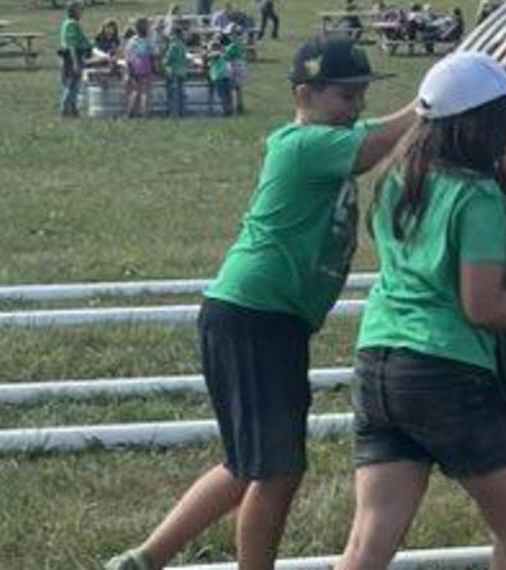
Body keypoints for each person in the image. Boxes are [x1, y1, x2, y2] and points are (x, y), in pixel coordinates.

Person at [103, 35, 423, 570]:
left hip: (263, 318)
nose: (357, 106)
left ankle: (143, 559)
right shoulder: (303, 145)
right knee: (277, 471)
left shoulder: (324, 140)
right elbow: (378, 145)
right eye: (346, 96)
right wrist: (436, 97)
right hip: (257, 316)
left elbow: (390, 145)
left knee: (247, 465)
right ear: (305, 94)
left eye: (362, 94)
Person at [333, 51, 506, 570]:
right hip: (445, 373)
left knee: (368, 543)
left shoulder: (403, 178)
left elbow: (463, 189)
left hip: (377, 367)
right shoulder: (480, 200)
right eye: (505, 115)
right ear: (480, 123)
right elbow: (483, 307)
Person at [58, 3, 93, 117]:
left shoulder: (67, 23)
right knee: (72, 84)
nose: (82, 13)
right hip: (73, 57)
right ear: (74, 11)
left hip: (72, 56)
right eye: (80, 10)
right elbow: (72, 44)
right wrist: (75, 63)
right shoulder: (72, 24)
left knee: (73, 84)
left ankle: (73, 109)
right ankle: (65, 109)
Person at [122, 18, 160, 118]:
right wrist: (157, 67)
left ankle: (130, 112)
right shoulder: (149, 40)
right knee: (146, 92)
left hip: (134, 67)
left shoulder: (132, 41)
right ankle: (145, 113)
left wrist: (129, 69)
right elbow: (155, 54)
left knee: (136, 91)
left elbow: (127, 56)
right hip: (146, 67)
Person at [163, 27, 191, 118]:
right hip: (183, 72)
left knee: (174, 94)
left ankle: (174, 114)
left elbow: (169, 59)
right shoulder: (182, 45)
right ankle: (183, 112)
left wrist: (163, 62)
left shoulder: (173, 45)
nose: (169, 36)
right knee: (181, 93)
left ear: (175, 35)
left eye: (171, 34)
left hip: (174, 71)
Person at [207, 35, 235, 117]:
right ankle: (229, 110)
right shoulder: (222, 54)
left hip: (219, 77)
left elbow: (212, 56)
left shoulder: (217, 54)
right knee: (227, 95)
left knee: (223, 95)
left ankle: (226, 111)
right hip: (225, 76)